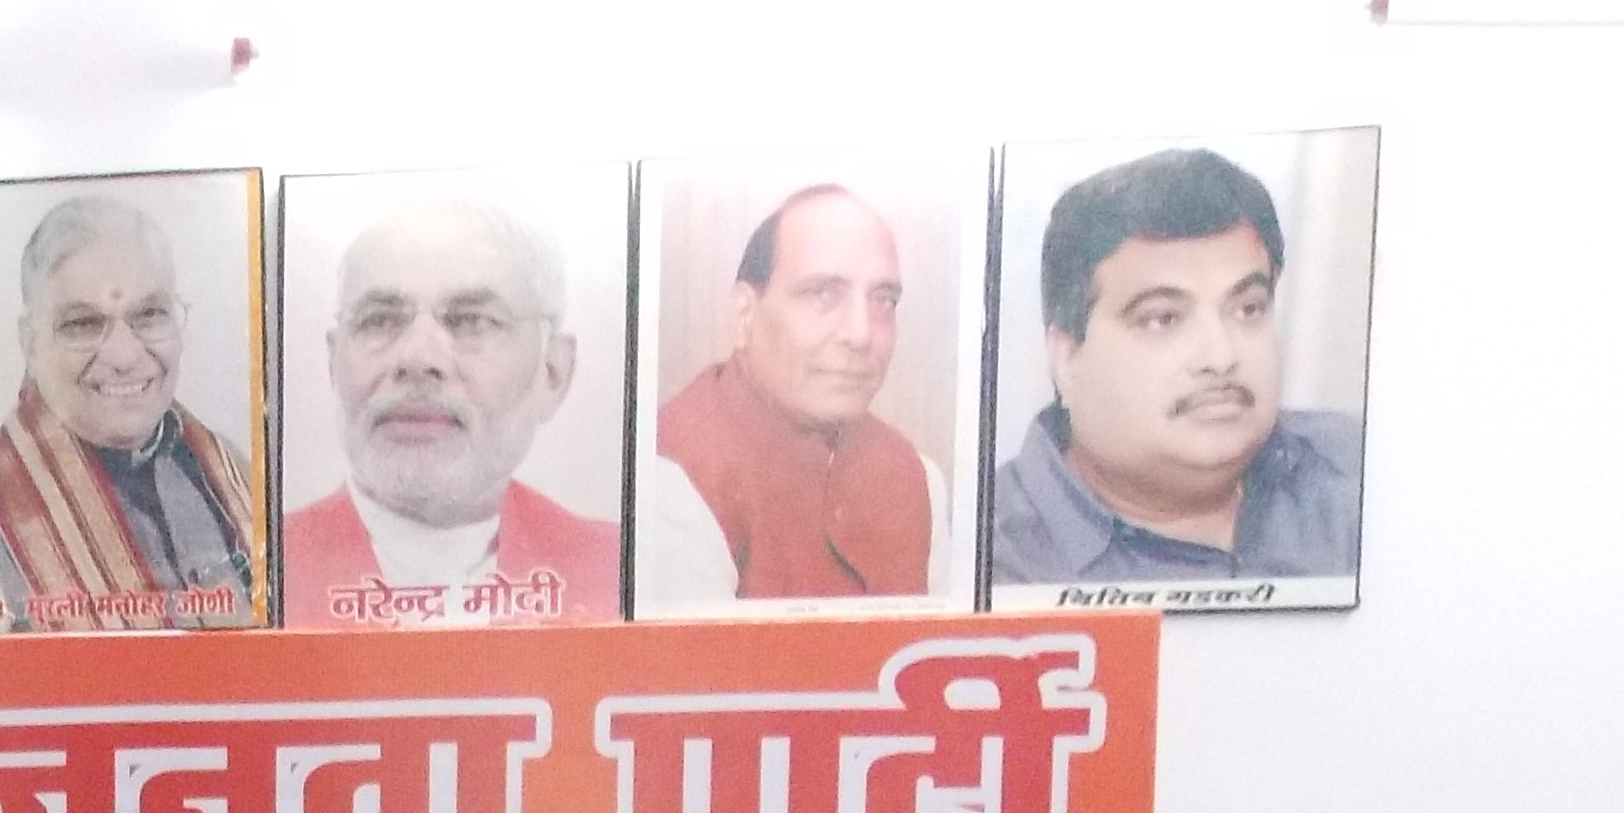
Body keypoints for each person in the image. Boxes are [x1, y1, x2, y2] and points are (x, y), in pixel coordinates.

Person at [991, 145, 1368, 595]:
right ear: (1067, 356)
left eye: (1248, 309)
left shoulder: (1359, 472)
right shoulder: (997, 555)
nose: (1221, 355)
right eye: (1163, 319)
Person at [281, 192, 620, 629]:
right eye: (380, 320)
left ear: (553, 371)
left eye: (471, 320)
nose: (419, 358)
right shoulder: (258, 570)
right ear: (333, 363)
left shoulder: (614, 569)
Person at [0, 192, 264, 635]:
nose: (124, 355)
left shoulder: (234, 472)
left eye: (149, 315)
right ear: (30, 342)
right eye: (82, 324)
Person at [652, 185, 945, 603]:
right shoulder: (668, 481)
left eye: (883, 300)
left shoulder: (919, 477)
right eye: (824, 294)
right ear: (744, 316)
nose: (861, 335)